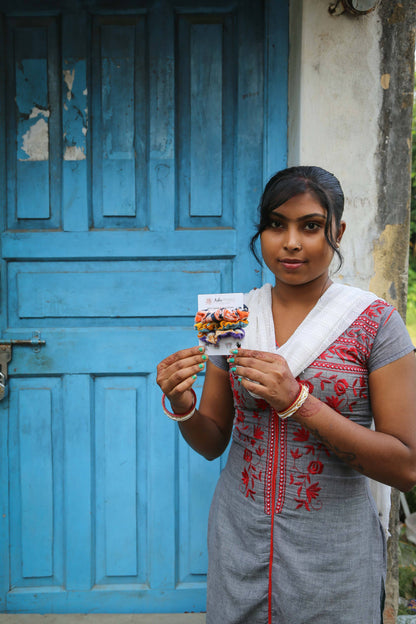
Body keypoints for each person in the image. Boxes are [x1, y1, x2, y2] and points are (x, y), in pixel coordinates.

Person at [156, 166, 416, 624]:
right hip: (240, 540)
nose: (291, 242)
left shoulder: (376, 323)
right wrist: (184, 406)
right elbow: (213, 440)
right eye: (276, 224)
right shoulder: (231, 317)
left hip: (335, 556)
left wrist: (299, 402)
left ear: (337, 231)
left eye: (310, 226)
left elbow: (406, 466)